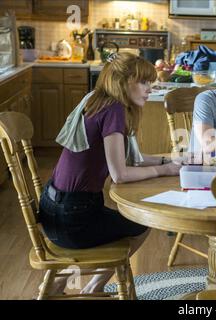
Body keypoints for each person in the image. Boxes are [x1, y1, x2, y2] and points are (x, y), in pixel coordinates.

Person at [39, 52, 180, 295]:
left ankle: (58, 285)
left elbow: (132, 159)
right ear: (124, 82)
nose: (150, 88)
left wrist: (168, 160)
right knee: (142, 223)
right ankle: (87, 286)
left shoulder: (95, 99)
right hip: (73, 219)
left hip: (52, 208)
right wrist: (165, 170)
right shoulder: (114, 110)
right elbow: (120, 174)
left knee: (129, 223)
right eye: (144, 82)